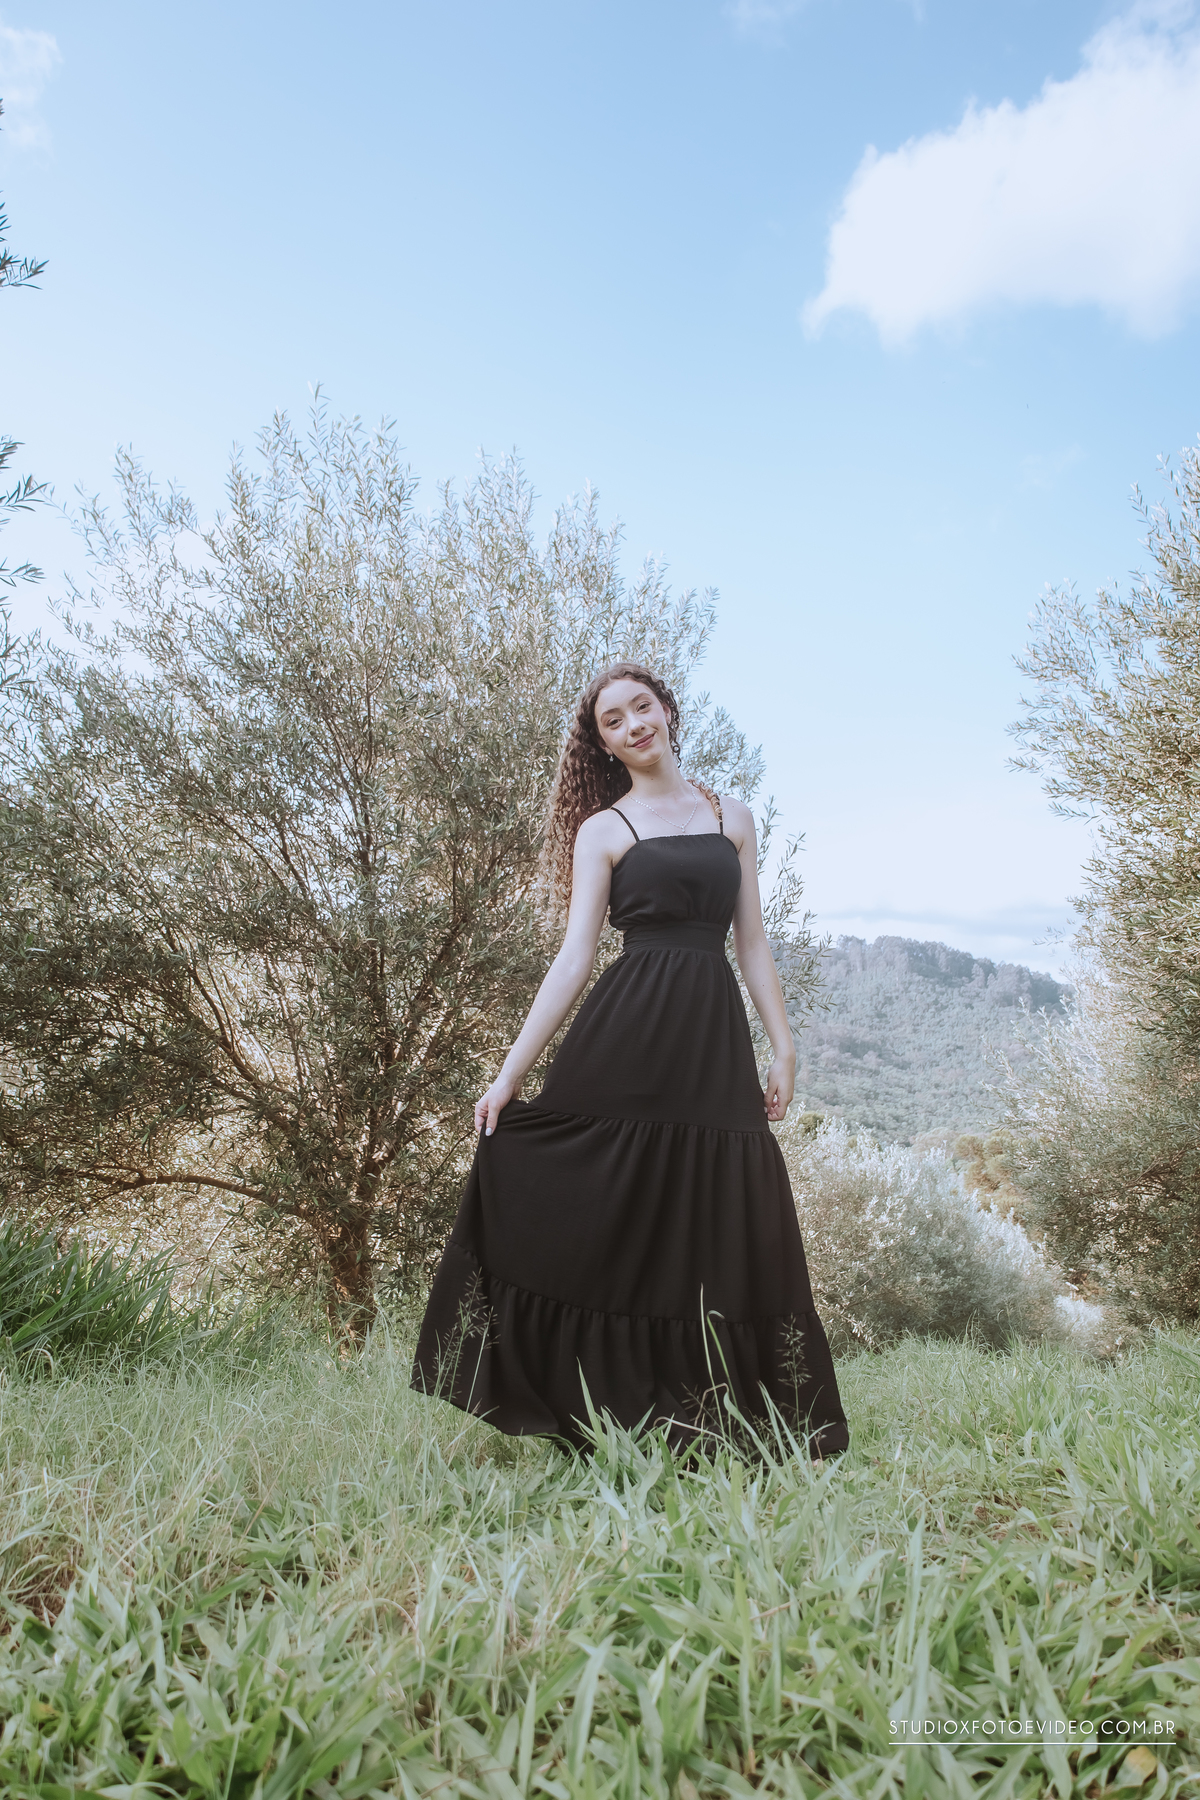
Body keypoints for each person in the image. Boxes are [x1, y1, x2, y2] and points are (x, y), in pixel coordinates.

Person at [411, 661, 849, 1459]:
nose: (632, 725)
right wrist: (509, 1075)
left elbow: (752, 943)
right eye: (612, 721)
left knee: (716, 1208)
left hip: (711, 1039)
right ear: (603, 745)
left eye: (640, 707)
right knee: (610, 1199)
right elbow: (574, 959)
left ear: (667, 710)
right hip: (627, 1032)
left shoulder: (733, 816)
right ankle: (598, 1399)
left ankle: (714, 1404)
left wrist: (783, 1046)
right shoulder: (605, 830)